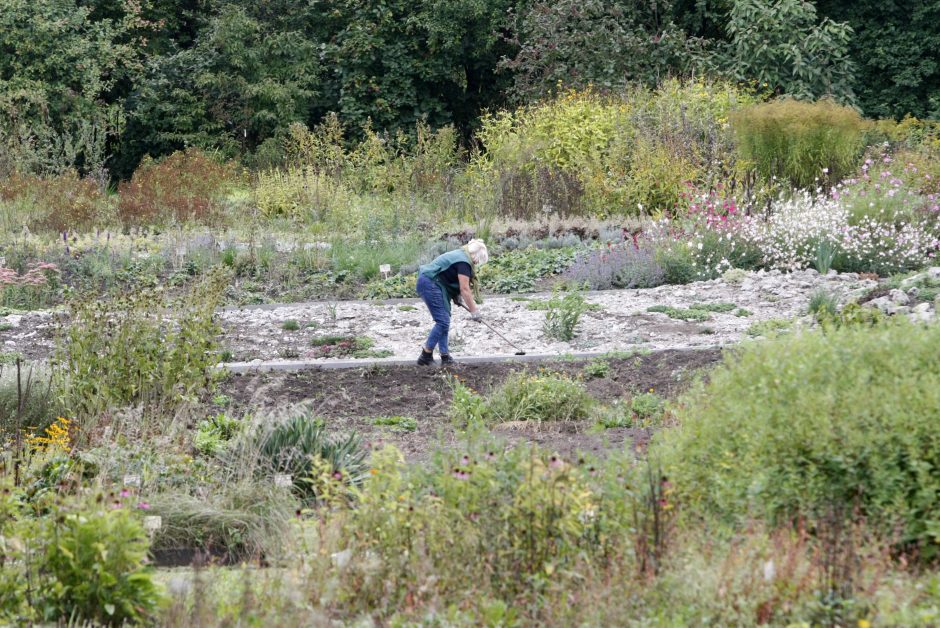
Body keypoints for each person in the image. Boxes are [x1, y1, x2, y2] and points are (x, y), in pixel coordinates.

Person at [415, 239, 488, 365]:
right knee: (442, 321)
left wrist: (456, 296)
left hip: (435, 284)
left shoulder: (461, 254)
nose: (476, 263)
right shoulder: (464, 262)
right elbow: (465, 289)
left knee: (444, 320)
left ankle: (445, 357)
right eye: (478, 260)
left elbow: (449, 274)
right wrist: (474, 311)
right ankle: (425, 356)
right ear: (475, 255)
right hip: (431, 283)